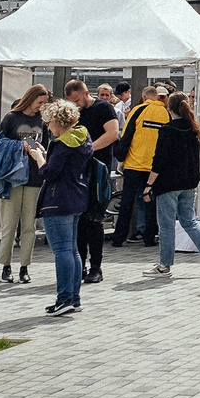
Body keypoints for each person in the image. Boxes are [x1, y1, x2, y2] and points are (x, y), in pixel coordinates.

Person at [143, 91, 200, 279]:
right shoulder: (194, 129)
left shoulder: (167, 130)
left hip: (168, 184)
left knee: (166, 224)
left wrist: (148, 185)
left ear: (169, 108)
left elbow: (159, 161)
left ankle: (164, 265)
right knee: (189, 221)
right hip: (190, 182)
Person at [36, 98, 93, 315]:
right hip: (78, 197)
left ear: (58, 121)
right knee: (73, 250)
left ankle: (64, 298)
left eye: (49, 122)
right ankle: (74, 298)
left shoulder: (62, 145)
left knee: (61, 251)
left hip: (58, 199)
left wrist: (39, 158)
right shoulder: (82, 137)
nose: (48, 126)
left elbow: (49, 173)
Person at [0, 84, 51, 283]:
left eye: (45, 103)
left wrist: (42, 151)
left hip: (34, 176)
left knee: (29, 225)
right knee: (9, 224)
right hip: (12, 176)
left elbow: (46, 143)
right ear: (31, 98)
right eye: (40, 102)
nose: (42, 106)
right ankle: (6, 266)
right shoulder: (12, 118)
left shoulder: (42, 121)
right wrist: (20, 145)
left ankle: (24, 266)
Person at [66, 79, 119, 284]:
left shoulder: (103, 108)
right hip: (78, 172)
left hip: (98, 171)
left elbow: (113, 134)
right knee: (78, 221)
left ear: (86, 93)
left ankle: (96, 267)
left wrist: (88, 149)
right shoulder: (74, 113)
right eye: (72, 102)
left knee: (94, 220)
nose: (76, 105)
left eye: (78, 100)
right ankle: (80, 266)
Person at [114, 82, 172, 246]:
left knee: (127, 202)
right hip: (154, 168)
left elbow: (126, 135)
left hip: (134, 164)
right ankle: (149, 238)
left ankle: (119, 238)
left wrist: (120, 158)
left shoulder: (138, 110)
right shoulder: (165, 114)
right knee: (151, 202)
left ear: (145, 97)